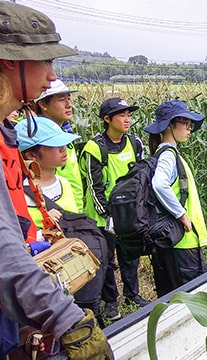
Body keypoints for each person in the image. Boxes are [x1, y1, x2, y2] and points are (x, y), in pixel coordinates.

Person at [0, 2, 111, 358]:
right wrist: (67, 320)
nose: (51, 74)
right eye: (46, 60)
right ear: (11, 61)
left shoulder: (3, 132)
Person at [16, 116, 108, 327]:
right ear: (32, 155)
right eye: (55, 146)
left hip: (74, 271)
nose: (64, 149)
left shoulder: (65, 184)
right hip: (45, 280)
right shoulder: (19, 194)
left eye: (63, 144)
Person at [79, 98, 150, 321]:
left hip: (127, 214)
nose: (127, 119)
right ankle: (110, 302)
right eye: (122, 115)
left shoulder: (134, 143)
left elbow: (140, 177)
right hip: (103, 218)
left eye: (129, 114)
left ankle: (132, 295)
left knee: (131, 255)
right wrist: (107, 216)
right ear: (107, 119)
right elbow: (94, 187)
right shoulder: (95, 148)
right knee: (108, 260)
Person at [144, 100, 207, 297]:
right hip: (182, 242)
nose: (190, 128)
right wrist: (182, 215)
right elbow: (159, 184)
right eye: (185, 123)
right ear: (169, 126)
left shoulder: (162, 153)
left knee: (172, 297)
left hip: (173, 241)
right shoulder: (168, 155)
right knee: (195, 299)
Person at [35, 79, 85, 213]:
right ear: (43, 105)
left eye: (69, 98)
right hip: (53, 217)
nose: (69, 105)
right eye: (62, 99)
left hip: (73, 214)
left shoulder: (66, 133)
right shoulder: (35, 137)